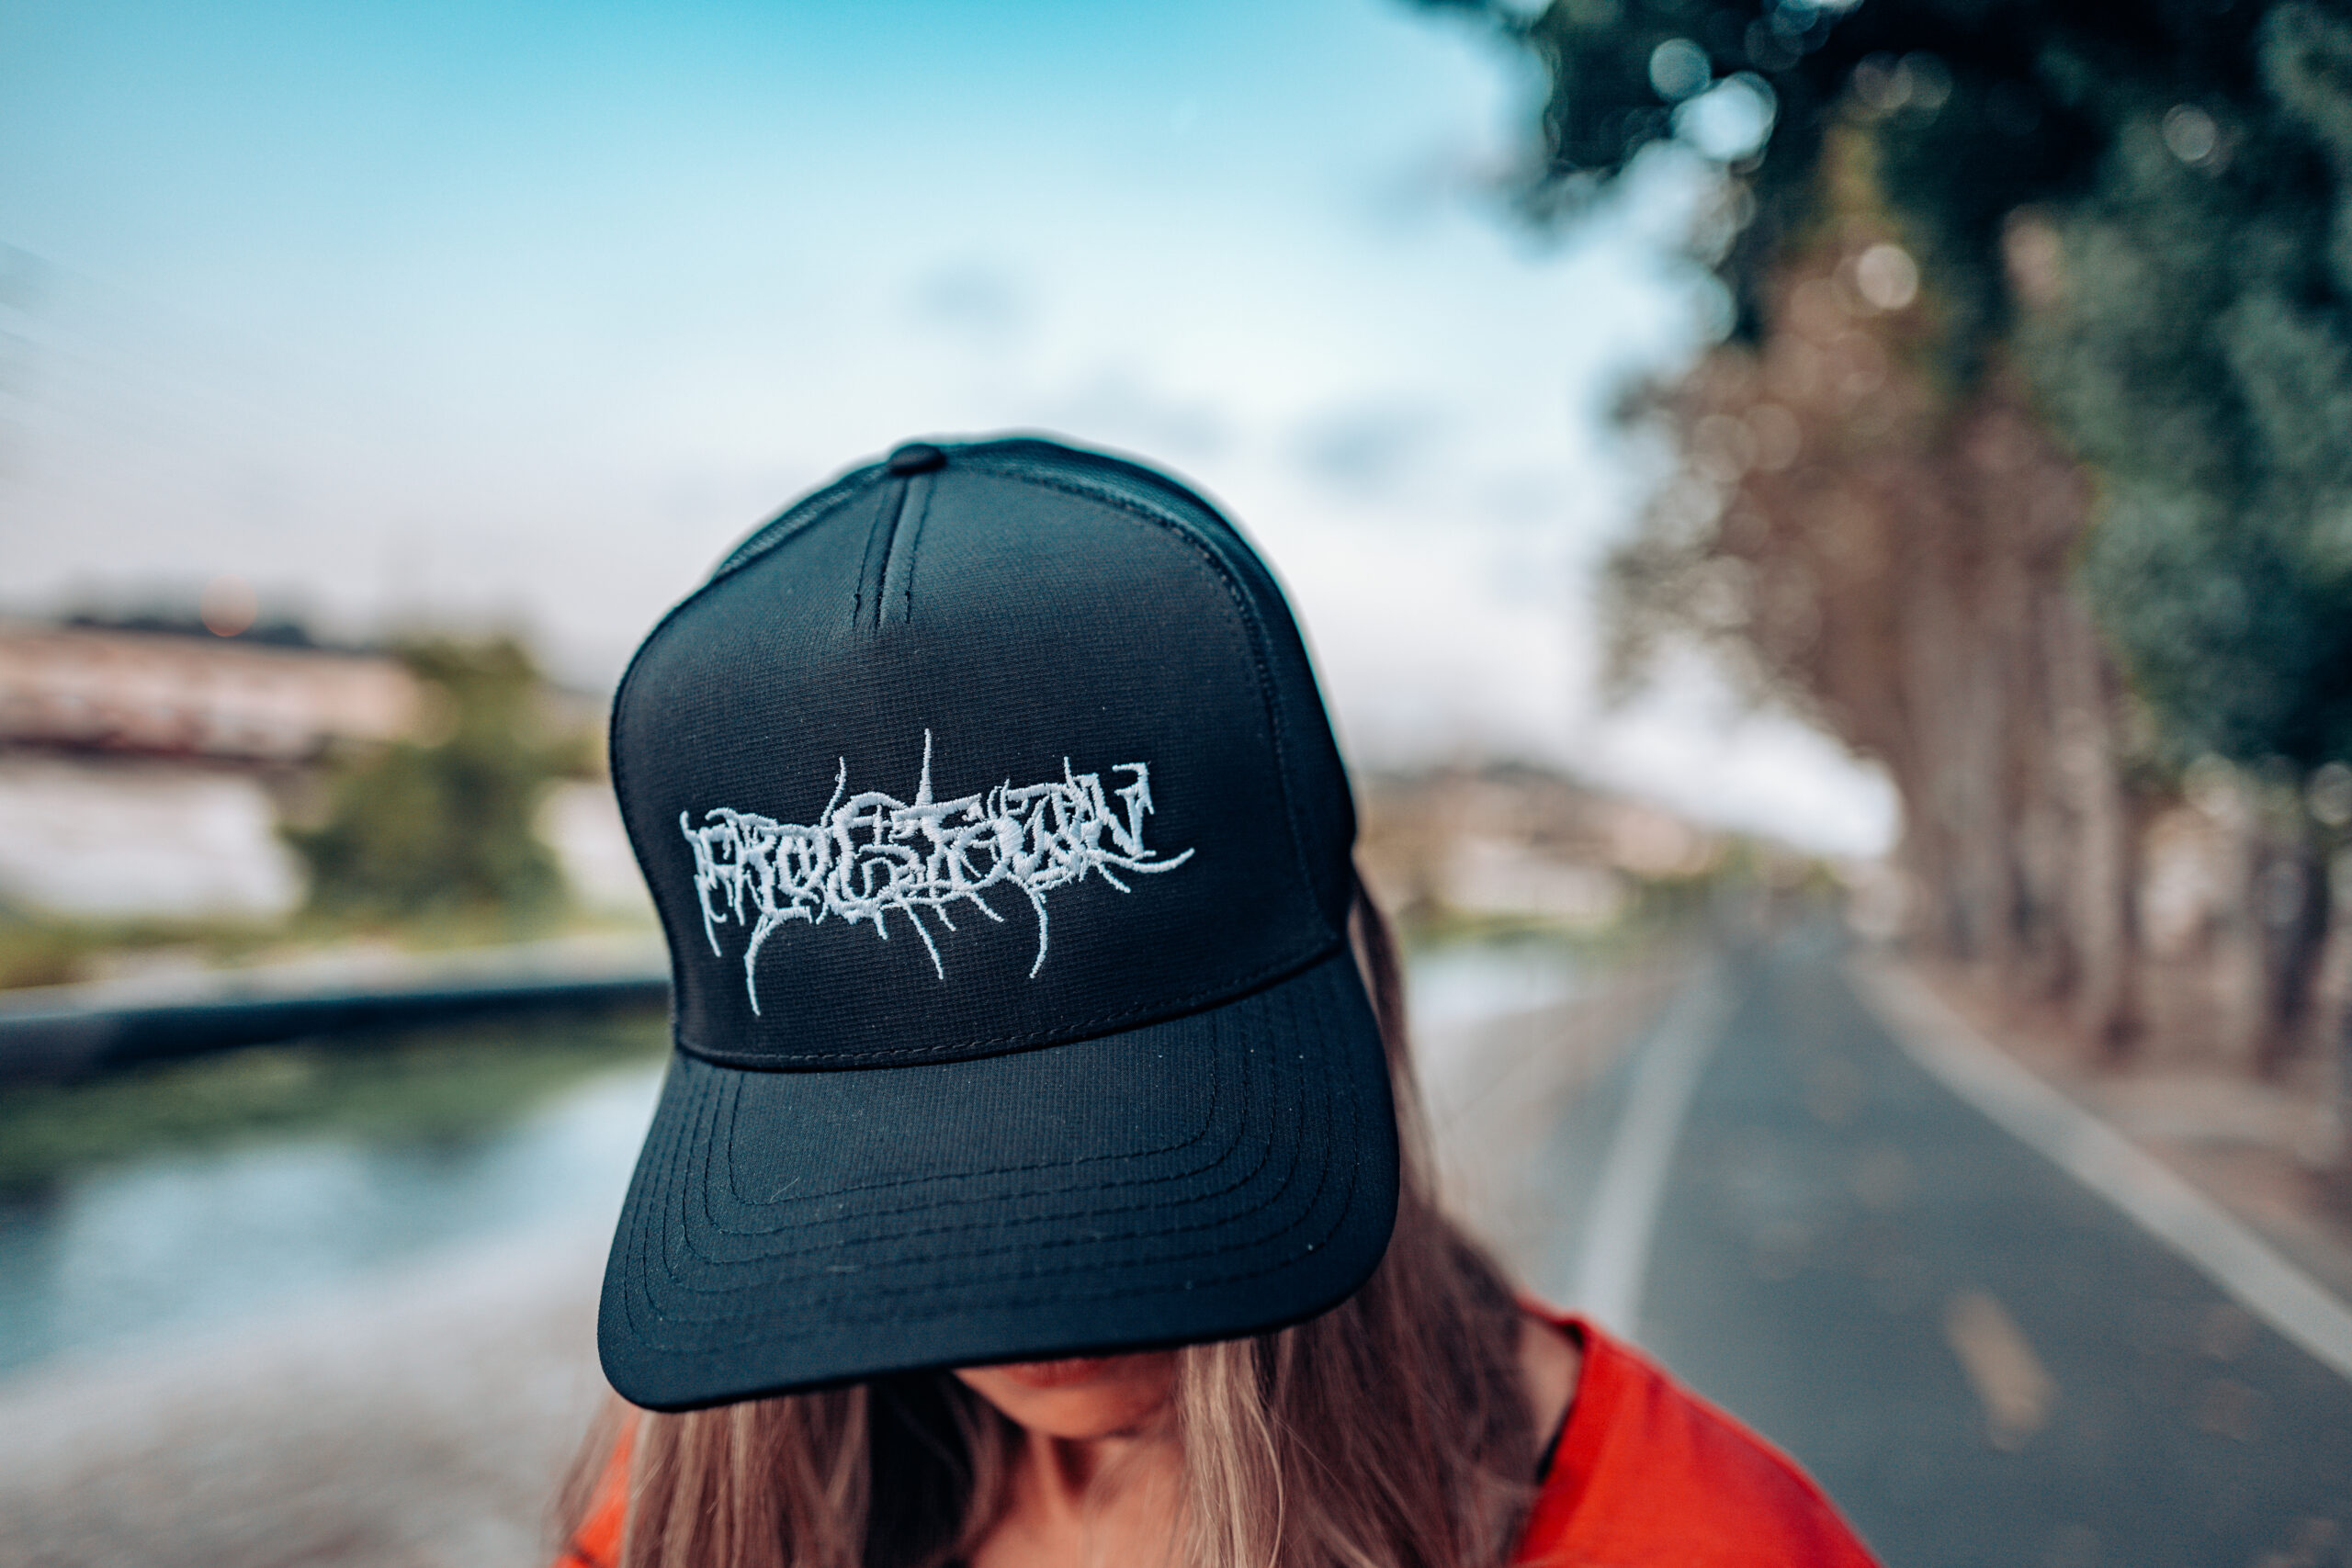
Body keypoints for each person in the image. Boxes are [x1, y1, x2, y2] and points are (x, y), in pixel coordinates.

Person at [552, 436, 1879, 1568]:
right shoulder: (714, 1500)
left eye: (1107, 1145)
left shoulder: (1709, 1540)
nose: (1013, 1289)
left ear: (1352, 969)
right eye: (883, 1179)